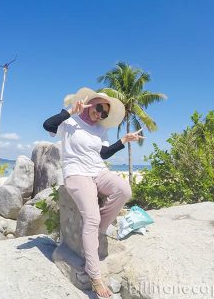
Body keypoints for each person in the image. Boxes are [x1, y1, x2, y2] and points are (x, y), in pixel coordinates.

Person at [43, 87, 143, 298]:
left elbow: (103, 153)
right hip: (77, 172)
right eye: (99, 108)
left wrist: (123, 140)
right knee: (91, 216)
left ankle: (99, 229)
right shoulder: (70, 121)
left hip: (97, 170)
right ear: (91, 102)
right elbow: (47, 125)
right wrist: (70, 112)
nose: (100, 114)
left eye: (105, 113)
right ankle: (95, 276)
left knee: (124, 190)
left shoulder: (100, 129)